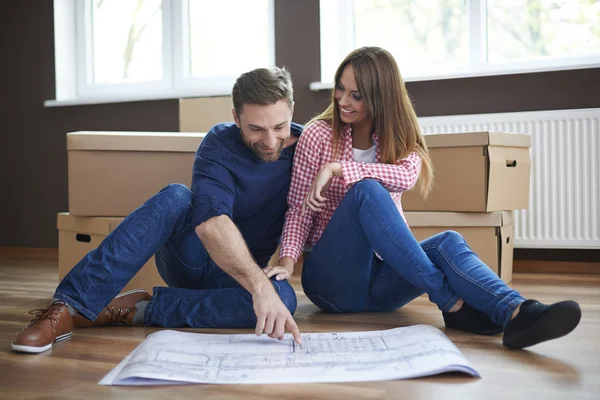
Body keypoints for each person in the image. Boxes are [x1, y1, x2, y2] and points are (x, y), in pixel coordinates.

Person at [275, 46, 581, 349]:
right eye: (340, 89)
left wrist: (341, 168)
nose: (343, 100)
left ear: (381, 96)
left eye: (356, 95)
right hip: (332, 283)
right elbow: (297, 211)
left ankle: (518, 312)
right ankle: (451, 303)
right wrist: (288, 264)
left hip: (380, 287)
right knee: (366, 191)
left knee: (448, 241)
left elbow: (406, 176)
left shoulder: (397, 136)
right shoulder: (317, 135)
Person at [12, 66, 303, 354]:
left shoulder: (308, 147)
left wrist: (265, 289)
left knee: (285, 298)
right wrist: (260, 289)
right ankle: (67, 308)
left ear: (291, 109)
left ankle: (141, 310)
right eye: (255, 128)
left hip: (240, 278)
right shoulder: (219, 143)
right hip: (192, 260)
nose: (269, 141)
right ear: (236, 118)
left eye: (279, 127)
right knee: (176, 196)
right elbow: (211, 224)